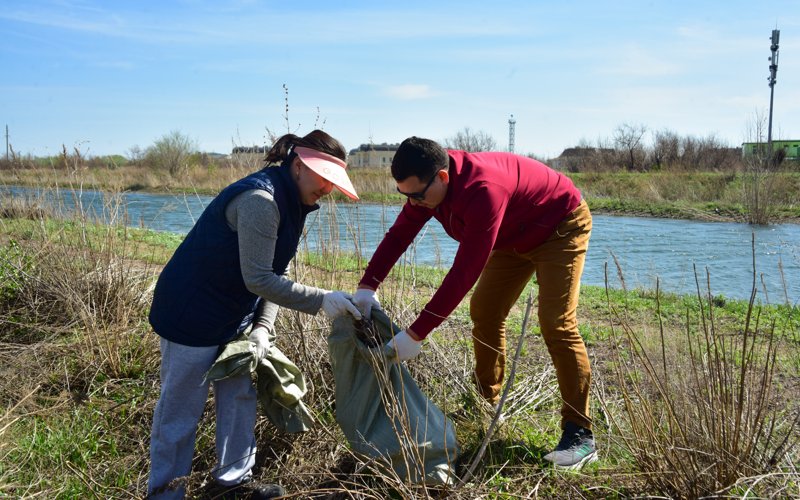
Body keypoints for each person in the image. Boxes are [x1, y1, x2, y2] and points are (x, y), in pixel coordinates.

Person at [352, 136, 596, 469]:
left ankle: (580, 434)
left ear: (442, 177)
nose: (413, 202)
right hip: (513, 235)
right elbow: (399, 235)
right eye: (404, 194)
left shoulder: (484, 192)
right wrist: (367, 286)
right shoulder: (426, 193)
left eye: (417, 195)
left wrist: (417, 334)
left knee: (556, 323)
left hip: (559, 225)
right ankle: (486, 401)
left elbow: (465, 271)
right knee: (485, 312)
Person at [147, 130, 362, 499]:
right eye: (324, 178)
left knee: (239, 395)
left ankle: (231, 486)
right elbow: (260, 278)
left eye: (334, 182)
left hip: (234, 314)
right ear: (298, 166)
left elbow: (277, 274)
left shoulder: (296, 202)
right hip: (190, 312)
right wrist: (321, 300)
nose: (328, 189)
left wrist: (262, 327)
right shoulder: (260, 200)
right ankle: (165, 493)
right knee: (180, 413)